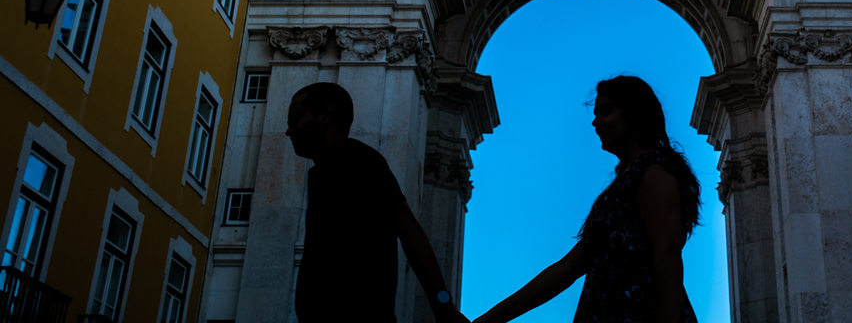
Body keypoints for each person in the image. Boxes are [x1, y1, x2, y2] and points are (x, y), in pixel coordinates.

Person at [474, 75, 701, 323]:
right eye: (596, 113)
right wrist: (489, 319)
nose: (596, 122)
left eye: (606, 111)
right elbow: (567, 268)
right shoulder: (629, 181)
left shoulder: (653, 173)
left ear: (634, 111)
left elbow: (667, 253)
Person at [286, 82, 470, 323]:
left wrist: (444, 307)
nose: (289, 131)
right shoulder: (334, 167)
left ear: (326, 114)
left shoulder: (355, 159)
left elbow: (409, 229)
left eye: (295, 119)